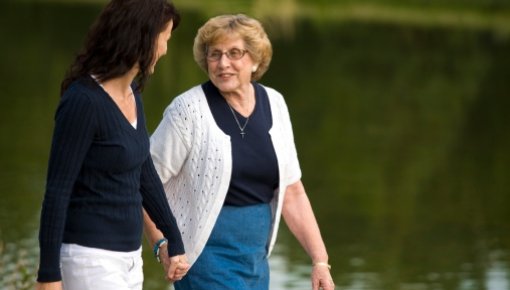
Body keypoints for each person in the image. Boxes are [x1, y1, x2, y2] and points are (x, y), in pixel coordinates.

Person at [143, 14, 335, 290]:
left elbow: (293, 191)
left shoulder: (275, 104)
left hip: (255, 261)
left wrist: (319, 261)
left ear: (255, 59)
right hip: (202, 258)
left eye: (234, 53)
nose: (223, 64)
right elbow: (145, 180)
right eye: (215, 55)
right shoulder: (187, 110)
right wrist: (161, 243)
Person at [35, 1, 190, 289]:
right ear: (141, 37)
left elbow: (145, 173)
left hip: (130, 258)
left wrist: (173, 240)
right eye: (164, 38)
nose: (166, 49)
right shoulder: (84, 101)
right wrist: (48, 276)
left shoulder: (132, 94)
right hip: (89, 258)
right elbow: (57, 191)